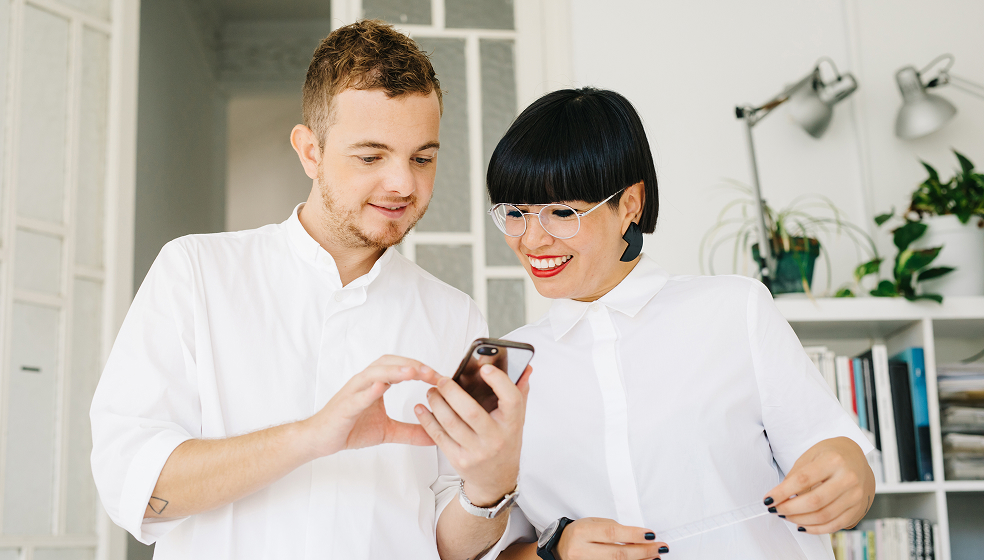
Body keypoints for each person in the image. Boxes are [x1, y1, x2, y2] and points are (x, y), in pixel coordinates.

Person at [90, 20, 528, 560]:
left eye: (422, 157)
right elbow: (132, 485)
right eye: (371, 156)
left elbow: (444, 544)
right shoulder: (196, 272)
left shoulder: (453, 315)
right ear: (310, 151)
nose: (403, 184)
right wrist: (313, 436)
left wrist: (490, 488)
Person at [476, 88, 875, 560]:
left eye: (563, 212)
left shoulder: (734, 310)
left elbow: (834, 453)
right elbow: (492, 548)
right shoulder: (509, 366)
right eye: (515, 213)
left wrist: (852, 476)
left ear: (629, 203)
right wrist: (556, 551)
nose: (532, 239)